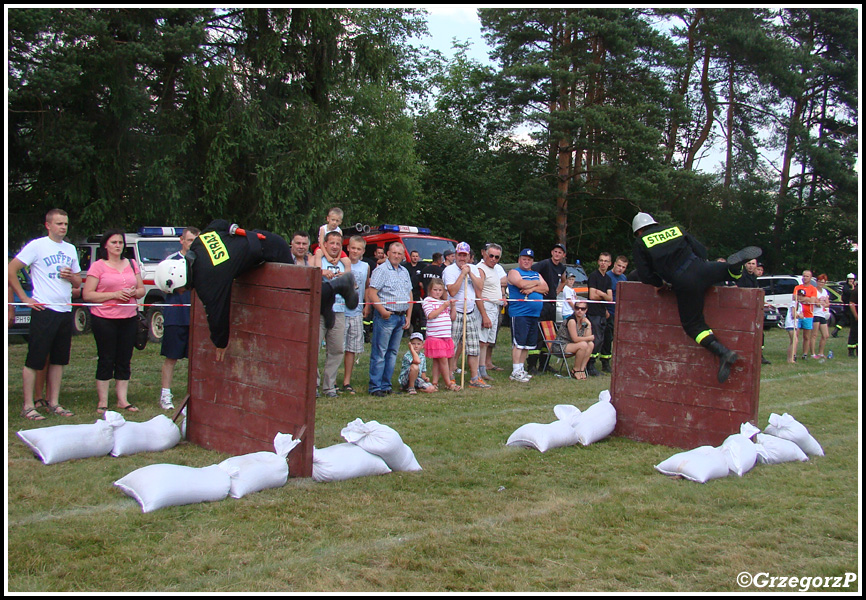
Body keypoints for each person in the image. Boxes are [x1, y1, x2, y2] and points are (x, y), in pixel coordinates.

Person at [155, 219, 357, 361]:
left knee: (297, 296)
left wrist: (220, 343)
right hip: (260, 246)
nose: (181, 293)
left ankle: (338, 286)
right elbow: (218, 223)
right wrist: (232, 228)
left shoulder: (208, 280)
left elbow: (217, 314)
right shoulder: (199, 243)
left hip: (272, 250)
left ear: (180, 278)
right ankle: (327, 301)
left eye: (178, 290)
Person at [631, 212, 761, 384]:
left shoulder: (641, 242)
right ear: (655, 223)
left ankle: (723, 353)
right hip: (702, 268)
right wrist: (699, 265)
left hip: (684, 281)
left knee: (693, 325)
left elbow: (645, 275)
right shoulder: (674, 228)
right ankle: (735, 269)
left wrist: (660, 282)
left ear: (638, 232)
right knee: (725, 270)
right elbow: (700, 250)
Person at [8, 208, 82, 420]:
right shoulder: (37, 246)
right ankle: (28, 405)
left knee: (59, 360)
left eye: (66, 224)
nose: (63, 227)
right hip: (43, 309)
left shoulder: (70, 249)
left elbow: (78, 281)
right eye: (59, 223)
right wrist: (24, 298)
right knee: (35, 359)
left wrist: (71, 277)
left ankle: (54, 402)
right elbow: (11, 270)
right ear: (48, 225)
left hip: (64, 309)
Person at [82, 229, 146, 414]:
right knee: (106, 357)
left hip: (128, 317)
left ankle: (122, 400)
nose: (118, 246)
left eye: (120, 242)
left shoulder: (132, 264)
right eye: (114, 242)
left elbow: (141, 290)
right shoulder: (98, 266)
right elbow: (88, 294)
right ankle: (103, 401)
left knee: (124, 358)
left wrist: (134, 292)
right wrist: (114, 295)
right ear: (105, 246)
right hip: (104, 317)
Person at [158, 226, 200, 410]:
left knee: (198, 359)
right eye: (190, 240)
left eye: (196, 241)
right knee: (171, 356)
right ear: (182, 241)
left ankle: (196, 395)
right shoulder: (171, 261)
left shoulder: (202, 261)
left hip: (197, 316)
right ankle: (165, 394)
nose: (193, 244)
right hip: (176, 314)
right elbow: (162, 285)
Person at [367, 242, 413, 396]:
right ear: (388, 253)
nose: (397, 256)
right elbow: (372, 292)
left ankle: (386, 385)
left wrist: (408, 316)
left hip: (400, 317)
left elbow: (410, 295)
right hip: (386, 317)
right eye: (394, 253)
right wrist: (382, 311)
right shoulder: (381, 270)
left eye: (400, 254)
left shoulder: (404, 271)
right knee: (380, 352)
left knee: (392, 353)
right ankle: (375, 386)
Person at [443, 242, 490, 389]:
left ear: (469, 256)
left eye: (465, 255)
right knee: (452, 346)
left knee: (473, 347)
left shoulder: (474, 269)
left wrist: (469, 273)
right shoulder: (449, 270)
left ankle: (475, 378)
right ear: (455, 255)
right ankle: (450, 376)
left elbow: (480, 287)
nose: (462, 258)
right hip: (455, 312)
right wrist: (462, 274)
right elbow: (452, 291)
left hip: (470, 312)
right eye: (460, 255)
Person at [312, 230, 352, 398]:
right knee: (313, 350)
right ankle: (312, 386)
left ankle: (329, 387)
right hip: (320, 311)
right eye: (332, 243)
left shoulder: (345, 262)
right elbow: (308, 277)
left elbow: (353, 287)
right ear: (325, 244)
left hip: (339, 311)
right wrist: (321, 273)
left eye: (338, 244)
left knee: (336, 350)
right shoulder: (317, 259)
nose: (335, 246)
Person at [507, 248, 549, 383]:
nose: (526, 261)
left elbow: (546, 288)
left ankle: (521, 368)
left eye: (529, 259)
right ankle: (515, 370)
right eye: (524, 259)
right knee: (519, 342)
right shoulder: (514, 272)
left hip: (534, 314)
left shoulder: (536, 274)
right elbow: (521, 284)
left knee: (527, 344)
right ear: (519, 260)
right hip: (520, 313)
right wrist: (537, 283)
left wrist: (532, 287)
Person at [527, 243, 568, 373]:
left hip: (552, 304)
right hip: (541, 303)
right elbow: (530, 272)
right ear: (552, 252)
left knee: (550, 334)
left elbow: (563, 280)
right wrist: (537, 288)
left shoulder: (562, 267)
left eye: (560, 252)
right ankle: (531, 364)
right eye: (555, 251)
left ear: (563, 255)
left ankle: (544, 365)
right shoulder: (544, 264)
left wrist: (556, 292)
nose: (557, 254)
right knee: (538, 334)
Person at [341, 235, 369, 395]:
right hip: (340, 311)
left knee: (352, 349)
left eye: (358, 249)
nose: (355, 251)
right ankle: (330, 381)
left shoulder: (365, 266)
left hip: (356, 311)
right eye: (353, 248)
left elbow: (366, 286)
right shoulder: (341, 263)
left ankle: (347, 381)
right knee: (338, 348)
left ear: (363, 251)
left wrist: (366, 305)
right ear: (348, 248)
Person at [476, 243, 507, 381]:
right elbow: (478, 293)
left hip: (495, 307)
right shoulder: (480, 268)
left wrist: (502, 297)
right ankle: (477, 370)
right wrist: (484, 315)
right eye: (491, 255)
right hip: (486, 306)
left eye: (497, 257)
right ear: (484, 254)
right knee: (481, 341)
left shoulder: (495, 269)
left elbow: (501, 285)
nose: (494, 259)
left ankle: (482, 369)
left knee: (487, 341)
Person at [422, 277, 458, 391]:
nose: (437, 292)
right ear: (430, 290)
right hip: (435, 336)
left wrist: (453, 307)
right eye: (435, 290)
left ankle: (435, 382)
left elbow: (452, 318)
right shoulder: (427, 301)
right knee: (443, 359)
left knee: (438, 360)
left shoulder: (443, 302)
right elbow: (430, 315)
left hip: (445, 336)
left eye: (440, 290)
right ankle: (448, 382)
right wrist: (443, 307)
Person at [735, 258, 770, 365]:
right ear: (745, 265)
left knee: (759, 333)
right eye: (749, 263)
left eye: (753, 264)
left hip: (753, 310)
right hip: (744, 310)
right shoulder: (742, 276)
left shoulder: (753, 278)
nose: (751, 266)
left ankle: (759, 355)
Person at [551, 300, 594, 379]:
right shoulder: (571, 320)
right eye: (577, 308)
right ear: (574, 308)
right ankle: (576, 370)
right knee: (583, 345)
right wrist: (590, 338)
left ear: (586, 310)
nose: (579, 311)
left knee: (590, 344)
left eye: (582, 309)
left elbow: (587, 339)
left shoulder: (584, 321)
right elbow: (575, 339)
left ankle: (582, 369)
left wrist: (589, 325)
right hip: (560, 346)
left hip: (572, 345)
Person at [587, 252, 614, 375]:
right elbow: (592, 296)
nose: (603, 263)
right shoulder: (593, 276)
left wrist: (602, 294)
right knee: (595, 339)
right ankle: (590, 364)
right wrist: (604, 296)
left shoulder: (607, 279)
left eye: (606, 261)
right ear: (598, 262)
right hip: (593, 313)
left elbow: (610, 298)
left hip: (603, 313)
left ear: (609, 264)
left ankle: (594, 363)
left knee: (601, 339)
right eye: (601, 260)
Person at [603, 255, 629, 373]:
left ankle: (617, 361)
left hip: (619, 313)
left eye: (623, 267)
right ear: (614, 264)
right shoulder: (607, 277)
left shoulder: (624, 278)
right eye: (619, 265)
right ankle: (605, 362)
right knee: (606, 339)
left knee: (616, 339)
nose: (620, 269)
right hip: (608, 312)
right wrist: (605, 310)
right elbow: (601, 296)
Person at [793, 270, 818, 360]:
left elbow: (812, 301)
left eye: (807, 276)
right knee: (796, 335)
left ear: (810, 278)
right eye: (804, 276)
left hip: (808, 315)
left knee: (807, 336)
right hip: (798, 314)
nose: (805, 278)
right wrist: (806, 299)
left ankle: (805, 354)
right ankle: (794, 353)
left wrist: (803, 299)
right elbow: (795, 298)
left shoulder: (813, 289)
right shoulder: (797, 287)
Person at [403, 249, 426, 335]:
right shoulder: (405, 267)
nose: (415, 258)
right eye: (413, 256)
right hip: (406, 292)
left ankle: (417, 329)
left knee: (417, 311)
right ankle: (406, 329)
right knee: (407, 311)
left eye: (416, 256)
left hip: (417, 293)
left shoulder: (422, 267)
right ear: (410, 257)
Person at [812, 274, 831, 359]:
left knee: (825, 335)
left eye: (823, 282)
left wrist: (823, 303)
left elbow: (827, 304)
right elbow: (817, 303)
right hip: (815, 314)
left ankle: (821, 353)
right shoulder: (814, 291)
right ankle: (813, 354)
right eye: (819, 282)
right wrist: (821, 303)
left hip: (822, 314)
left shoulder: (824, 291)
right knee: (814, 335)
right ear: (817, 282)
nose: (821, 283)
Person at [784, 291, 804, 363]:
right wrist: (798, 315)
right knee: (794, 340)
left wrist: (798, 315)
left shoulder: (800, 305)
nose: (800, 297)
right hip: (790, 324)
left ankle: (790, 358)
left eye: (802, 296)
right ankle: (790, 358)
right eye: (799, 295)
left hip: (795, 324)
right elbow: (793, 314)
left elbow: (802, 316)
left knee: (793, 341)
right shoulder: (793, 303)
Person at [842, 273, 858, 357]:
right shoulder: (855, 290)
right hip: (853, 312)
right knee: (854, 332)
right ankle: (851, 350)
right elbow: (851, 303)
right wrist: (856, 316)